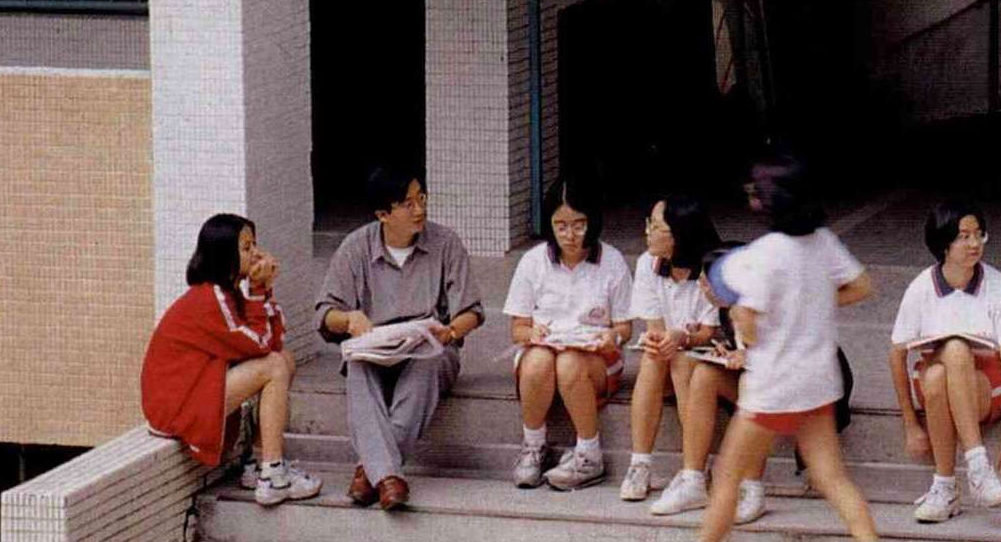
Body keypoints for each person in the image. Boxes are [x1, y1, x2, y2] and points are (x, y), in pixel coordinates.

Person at [648, 154, 893, 542]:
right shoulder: (824, 242)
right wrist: (812, 304)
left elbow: (749, 320)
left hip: (773, 386)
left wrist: (758, 320)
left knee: (727, 474)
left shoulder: (764, 255)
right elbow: (861, 286)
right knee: (832, 476)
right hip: (819, 382)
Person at [316, 166, 484, 512]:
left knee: (430, 360)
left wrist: (450, 331)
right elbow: (324, 314)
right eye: (407, 204)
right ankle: (387, 477)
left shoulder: (446, 243)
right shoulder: (356, 247)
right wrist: (349, 319)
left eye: (422, 198)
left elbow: (471, 311)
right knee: (357, 367)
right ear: (383, 215)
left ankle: (371, 472)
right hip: (376, 348)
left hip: (430, 345)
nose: (419, 209)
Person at [141, 213, 320, 506]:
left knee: (283, 359)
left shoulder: (228, 293)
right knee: (275, 365)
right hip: (174, 408)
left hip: (194, 390)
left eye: (254, 244)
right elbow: (261, 345)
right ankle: (273, 475)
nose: (256, 254)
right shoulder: (209, 299)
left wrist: (263, 291)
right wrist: (260, 290)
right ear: (225, 254)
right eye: (246, 248)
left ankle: (258, 465)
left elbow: (274, 342)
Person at [888, 199, 1001, 522]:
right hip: (934, 383)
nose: (974, 243)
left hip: (985, 387)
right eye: (964, 236)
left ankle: (965, 472)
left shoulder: (997, 286)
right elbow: (896, 356)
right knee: (941, 369)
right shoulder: (921, 288)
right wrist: (910, 424)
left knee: (956, 349)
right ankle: (956, 480)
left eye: (979, 234)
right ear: (944, 243)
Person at [503, 176, 634, 492]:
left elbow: (624, 327)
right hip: (544, 351)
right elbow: (518, 329)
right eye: (561, 226)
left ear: (592, 221)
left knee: (569, 363)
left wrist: (612, 337)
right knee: (538, 361)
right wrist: (532, 332)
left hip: (595, 358)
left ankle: (589, 455)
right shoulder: (533, 261)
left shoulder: (612, 261)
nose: (570, 235)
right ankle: (534, 446)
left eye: (579, 225)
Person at [644, 244, 781, 525]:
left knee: (752, 384)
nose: (702, 287)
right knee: (704, 374)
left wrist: (750, 356)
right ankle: (693, 479)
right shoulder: (727, 310)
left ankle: (752, 488)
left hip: (795, 385)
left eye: (707, 282)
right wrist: (730, 351)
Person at [621, 195, 723, 502]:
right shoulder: (647, 263)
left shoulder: (711, 268)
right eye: (649, 224)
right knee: (653, 358)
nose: (648, 232)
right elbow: (655, 326)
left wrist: (681, 338)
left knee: (681, 361)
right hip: (669, 352)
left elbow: (709, 332)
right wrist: (662, 339)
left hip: (706, 356)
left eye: (656, 227)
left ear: (680, 234)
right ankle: (640, 463)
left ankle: (694, 468)